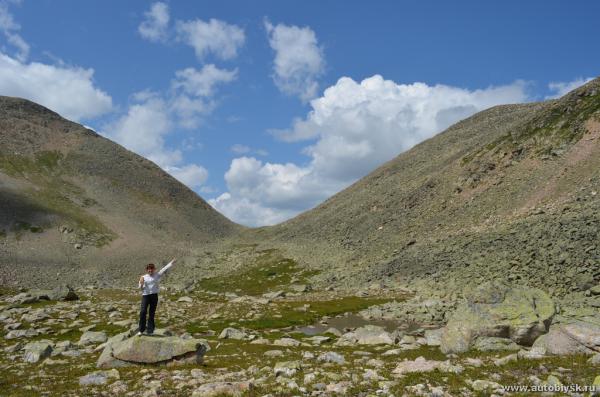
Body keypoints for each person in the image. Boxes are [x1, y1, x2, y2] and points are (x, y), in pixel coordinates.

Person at [138, 258, 176, 336]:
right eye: (149, 269)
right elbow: (140, 288)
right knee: (143, 312)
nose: (150, 270)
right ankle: (141, 330)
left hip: (154, 296)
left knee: (151, 313)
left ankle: (150, 330)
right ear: (147, 270)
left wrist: (171, 262)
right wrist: (141, 283)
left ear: (154, 269)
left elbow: (164, 269)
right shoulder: (143, 277)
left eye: (152, 269)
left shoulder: (157, 275)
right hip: (145, 296)